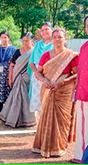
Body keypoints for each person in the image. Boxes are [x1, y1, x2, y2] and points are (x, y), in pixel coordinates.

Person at [32, 28, 79, 158]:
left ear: (65, 39)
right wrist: (44, 80)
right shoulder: (46, 55)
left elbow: (77, 75)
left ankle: (58, 147)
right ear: (52, 39)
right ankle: (43, 145)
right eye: (55, 37)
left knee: (61, 120)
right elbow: (38, 73)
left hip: (64, 92)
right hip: (47, 90)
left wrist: (62, 82)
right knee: (45, 117)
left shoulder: (71, 56)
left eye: (60, 37)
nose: (57, 39)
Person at [0, 32, 36, 127]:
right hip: (18, 78)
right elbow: (12, 66)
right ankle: (12, 118)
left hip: (30, 79)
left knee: (27, 99)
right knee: (15, 98)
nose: (25, 42)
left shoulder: (35, 52)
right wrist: (10, 78)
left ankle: (27, 120)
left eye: (27, 40)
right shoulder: (17, 51)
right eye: (23, 40)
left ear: (32, 41)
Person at [28, 22, 53, 120]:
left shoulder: (55, 44)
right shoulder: (38, 45)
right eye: (42, 30)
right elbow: (31, 62)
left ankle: (47, 126)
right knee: (37, 101)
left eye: (47, 29)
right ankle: (39, 126)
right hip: (36, 76)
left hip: (49, 76)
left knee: (47, 101)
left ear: (51, 30)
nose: (44, 32)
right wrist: (37, 73)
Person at [72, 16, 88, 164]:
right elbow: (80, 70)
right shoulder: (83, 47)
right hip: (83, 94)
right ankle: (81, 156)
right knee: (83, 127)